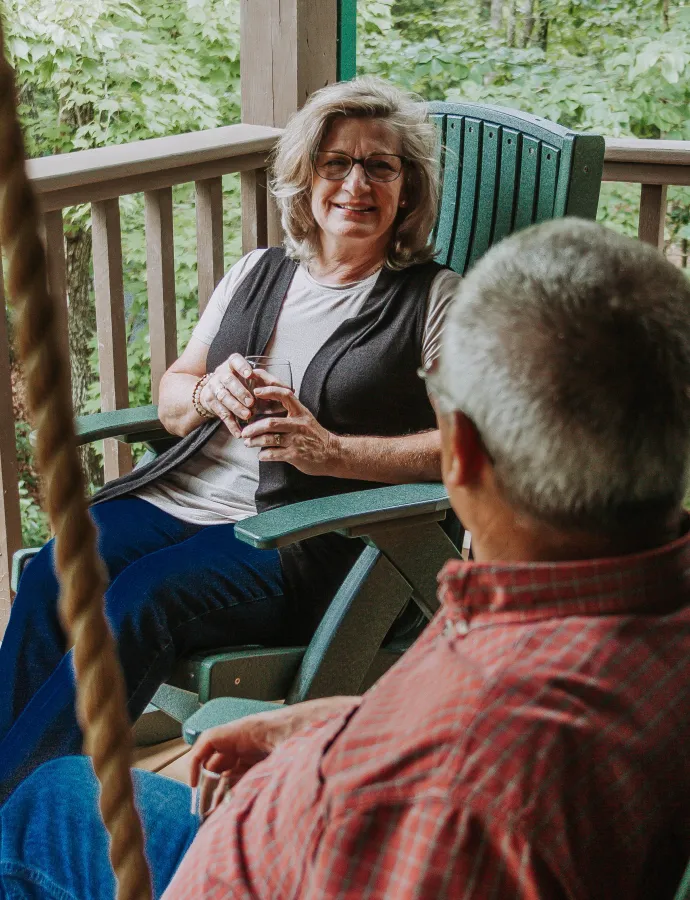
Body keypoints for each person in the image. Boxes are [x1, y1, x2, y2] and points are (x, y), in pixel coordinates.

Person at [3, 218, 690, 899]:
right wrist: (325, 726)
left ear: (462, 450)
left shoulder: (471, 797)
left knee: (40, 815)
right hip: (308, 803)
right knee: (56, 747)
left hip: (263, 860)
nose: (356, 183)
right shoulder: (612, 614)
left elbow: (457, 799)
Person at [0, 76, 462, 801]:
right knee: (54, 568)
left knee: (138, 600)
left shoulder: (434, 298)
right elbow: (173, 390)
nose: (356, 183)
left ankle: (17, 803)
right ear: (307, 177)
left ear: (408, 189)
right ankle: (16, 787)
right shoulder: (261, 271)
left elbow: (466, 448)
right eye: (336, 162)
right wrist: (203, 394)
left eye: (381, 165)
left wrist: (331, 453)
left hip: (298, 536)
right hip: (183, 496)